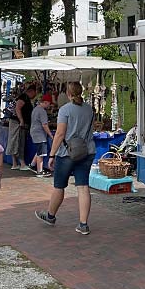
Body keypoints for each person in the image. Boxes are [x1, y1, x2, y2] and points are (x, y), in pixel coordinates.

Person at [35, 82, 96, 235]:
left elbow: (60, 134)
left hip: (67, 153)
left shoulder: (65, 110)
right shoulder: (89, 109)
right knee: (83, 187)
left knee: (59, 186)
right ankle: (83, 224)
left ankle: (50, 216)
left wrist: (52, 154)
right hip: (87, 151)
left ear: (68, 94)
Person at [6, 85, 35, 171]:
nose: (34, 96)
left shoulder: (23, 97)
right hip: (18, 124)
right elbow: (18, 108)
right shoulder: (23, 98)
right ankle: (22, 163)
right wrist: (21, 120)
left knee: (15, 142)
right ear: (31, 91)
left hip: (17, 123)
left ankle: (15, 163)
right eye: (34, 93)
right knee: (19, 142)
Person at [29, 94, 53, 178]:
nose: (49, 106)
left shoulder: (35, 109)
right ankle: (40, 171)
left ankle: (32, 165)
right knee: (41, 153)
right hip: (40, 134)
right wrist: (50, 135)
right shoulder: (42, 111)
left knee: (39, 150)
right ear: (46, 102)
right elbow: (45, 125)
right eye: (49, 104)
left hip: (34, 132)